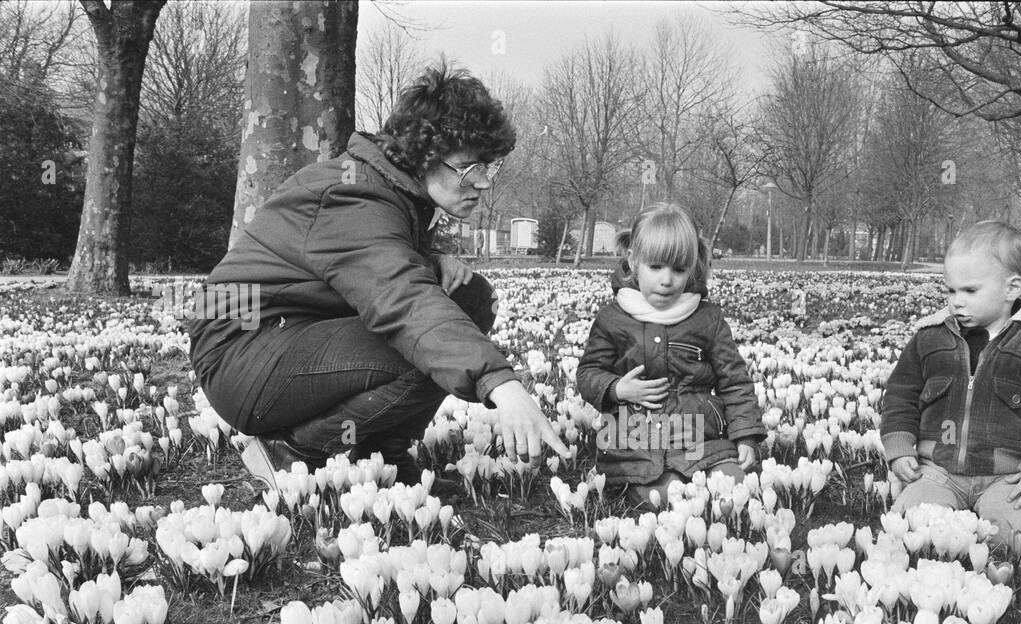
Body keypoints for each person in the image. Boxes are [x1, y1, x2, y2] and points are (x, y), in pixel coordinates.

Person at [188, 62, 568, 496]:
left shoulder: (388, 188)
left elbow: (363, 266)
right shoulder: (353, 191)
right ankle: (291, 452)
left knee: (468, 297)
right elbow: (401, 302)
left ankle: (381, 458)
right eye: (469, 167)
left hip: (281, 335)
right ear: (424, 155)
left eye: (488, 167)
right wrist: (501, 383)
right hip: (242, 351)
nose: (482, 183)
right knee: (424, 341)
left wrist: (427, 259)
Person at [880, 220, 1021, 553]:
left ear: (1011, 288)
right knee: (912, 527)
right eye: (951, 290)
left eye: (970, 291)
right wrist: (899, 447)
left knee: (1009, 539)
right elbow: (900, 394)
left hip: (1009, 477)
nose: (957, 301)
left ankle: (1009, 520)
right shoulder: (928, 339)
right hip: (937, 471)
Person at [577, 203, 766, 506]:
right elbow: (588, 374)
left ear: (692, 268)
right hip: (637, 445)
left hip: (700, 439)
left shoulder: (707, 318)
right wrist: (617, 388)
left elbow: (735, 380)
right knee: (668, 495)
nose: (667, 280)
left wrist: (745, 436)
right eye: (655, 267)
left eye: (679, 269)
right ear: (633, 260)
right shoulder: (613, 319)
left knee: (734, 488)